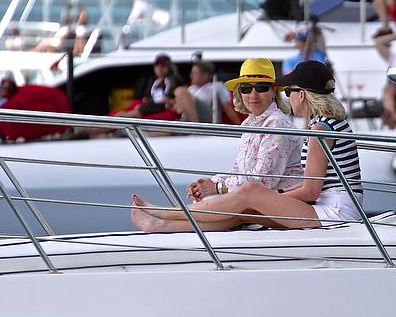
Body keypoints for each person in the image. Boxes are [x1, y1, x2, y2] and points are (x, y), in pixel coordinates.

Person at [131, 57, 318, 232]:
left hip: (283, 202)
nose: (253, 94)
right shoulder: (251, 123)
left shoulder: (277, 123)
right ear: (239, 93)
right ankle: (161, 223)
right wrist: (213, 181)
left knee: (237, 210)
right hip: (265, 200)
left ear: (273, 92)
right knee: (234, 209)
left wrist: (218, 187)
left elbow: (263, 182)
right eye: (246, 88)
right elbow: (239, 169)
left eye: (261, 87)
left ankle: (165, 215)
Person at [115, 53, 183, 119]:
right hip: (149, 107)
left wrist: (168, 101)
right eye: (157, 65)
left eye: (163, 65)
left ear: (169, 67)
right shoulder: (152, 81)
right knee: (119, 113)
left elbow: (179, 100)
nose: (160, 68)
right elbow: (148, 97)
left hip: (162, 108)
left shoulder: (175, 81)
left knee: (122, 115)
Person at [173, 60, 241, 124]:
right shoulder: (191, 89)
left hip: (207, 119)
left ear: (206, 75)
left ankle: (195, 125)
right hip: (187, 118)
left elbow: (228, 109)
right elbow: (178, 109)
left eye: (195, 73)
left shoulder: (217, 86)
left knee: (180, 91)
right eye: (191, 73)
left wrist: (239, 127)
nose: (191, 76)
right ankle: (188, 125)